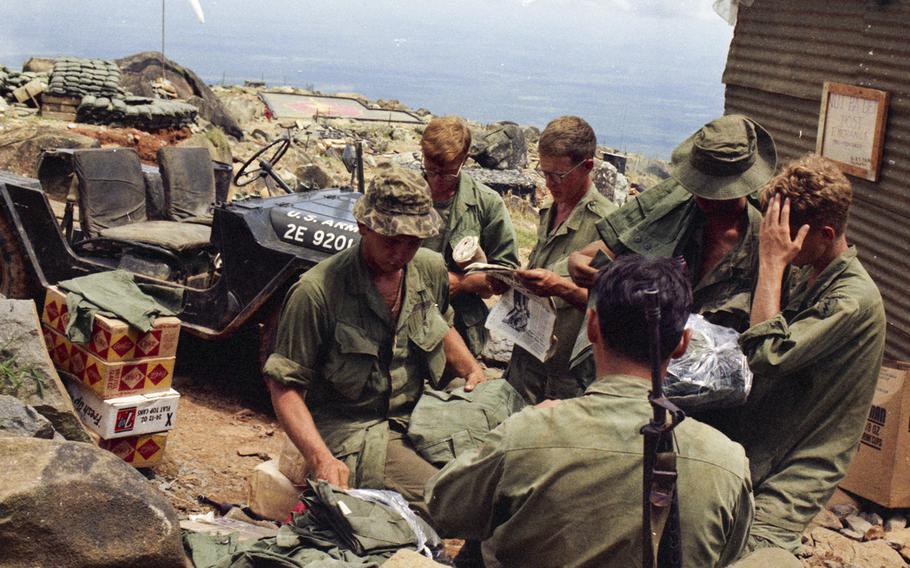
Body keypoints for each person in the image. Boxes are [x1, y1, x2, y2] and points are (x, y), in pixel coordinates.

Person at [426, 255, 754, 568]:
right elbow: (728, 553)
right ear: (682, 343)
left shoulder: (529, 432)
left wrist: (525, 428)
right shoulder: (729, 463)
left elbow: (443, 507)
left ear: (592, 326)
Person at [263, 167, 486, 514]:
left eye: (413, 242)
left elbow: (441, 325)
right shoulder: (317, 291)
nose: (402, 253)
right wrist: (321, 458)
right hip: (353, 433)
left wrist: (472, 370)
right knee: (450, 502)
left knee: (494, 474)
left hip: (416, 418)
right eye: (391, 241)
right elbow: (284, 386)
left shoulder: (428, 269)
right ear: (364, 227)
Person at [704, 154, 886, 552]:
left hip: (800, 463)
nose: (777, 239)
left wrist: (771, 263)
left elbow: (767, 354)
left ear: (824, 233)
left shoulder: (851, 300)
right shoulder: (810, 271)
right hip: (764, 437)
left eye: (787, 233)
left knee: (752, 552)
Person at [566, 114, 777, 387]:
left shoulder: (766, 241)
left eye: (713, 189)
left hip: (719, 396)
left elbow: (768, 345)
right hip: (640, 379)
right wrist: (577, 261)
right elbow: (608, 247)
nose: (701, 197)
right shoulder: (675, 204)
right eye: (697, 184)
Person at [505, 115, 617, 403]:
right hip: (526, 359)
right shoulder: (549, 210)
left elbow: (611, 308)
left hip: (564, 379)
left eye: (559, 176)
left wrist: (559, 287)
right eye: (544, 173)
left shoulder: (608, 226)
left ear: (588, 166)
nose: (549, 183)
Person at [420, 116, 520, 356]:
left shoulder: (487, 203)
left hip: (461, 328)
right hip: (404, 322)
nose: (436, 181)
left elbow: (507, 273)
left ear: (464, 161)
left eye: (446, 174)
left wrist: (463, 283)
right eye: (430, 170)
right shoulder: (405, 193)